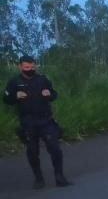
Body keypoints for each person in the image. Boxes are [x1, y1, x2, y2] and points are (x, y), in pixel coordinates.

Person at [3, 55, 71, 189]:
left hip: (45, 120)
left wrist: (49, 94)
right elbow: (6, 100)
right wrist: (14, 96)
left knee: (55, 149)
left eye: (32, 67)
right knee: (32, 151)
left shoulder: (43, 80)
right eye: (27, 67)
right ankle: (38, 179)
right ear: (21, 67)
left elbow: (54, 95)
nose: (30, 69)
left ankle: (59, 177)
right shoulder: (14, 82)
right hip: (28, 122)